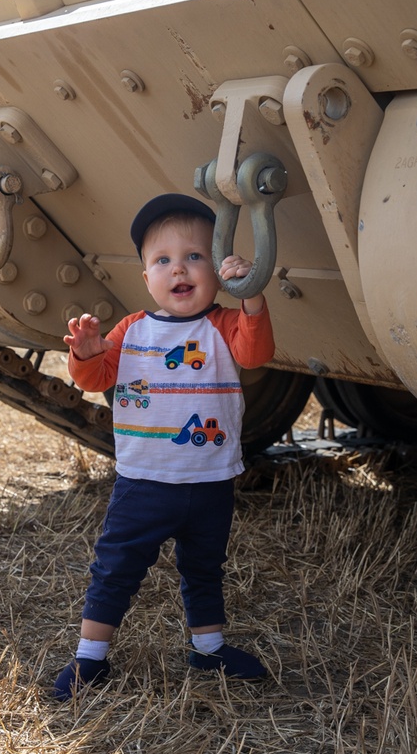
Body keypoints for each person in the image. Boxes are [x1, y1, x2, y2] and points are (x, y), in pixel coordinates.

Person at [53, 193, 276, 701]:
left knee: (204, 566)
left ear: (218, 271)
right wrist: (85, 355)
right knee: (116, 567)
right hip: (144, 482)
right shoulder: (132, 330)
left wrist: (253, 296)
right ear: (146, 277)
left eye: (195, 256)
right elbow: (95, 377)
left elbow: (256, 351)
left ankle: (209, 646)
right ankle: (91, 658)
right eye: (163, 260)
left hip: (210, 480)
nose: (180, 268)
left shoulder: (223, 326)